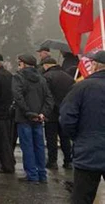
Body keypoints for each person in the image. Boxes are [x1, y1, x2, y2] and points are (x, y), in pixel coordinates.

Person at [60, 50, 105, 203]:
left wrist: (78, 137)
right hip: (89, 147)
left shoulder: (81, 87)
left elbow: (67, 118)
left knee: (82, 198)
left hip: (88, 152)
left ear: (95, 65)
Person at [12, 54, 54, 184]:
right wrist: (42, 113)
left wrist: (28, 112)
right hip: (39, 118)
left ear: (23, 64)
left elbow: (18, 97)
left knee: (28, 147)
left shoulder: (18, 77)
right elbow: (49, 98)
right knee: (39, 146)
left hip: (25, 118)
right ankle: (42, 174)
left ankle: (32, 175)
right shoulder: (41, 79)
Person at [41, 56, 75, 170]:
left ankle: (52, 161)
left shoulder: (46, 77)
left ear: (46, 65)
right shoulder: (68, 77)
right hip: (65, 111)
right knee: (65, 138)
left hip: (51, 113)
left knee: (51, 138)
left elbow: (46, 96)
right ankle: (68, 161)